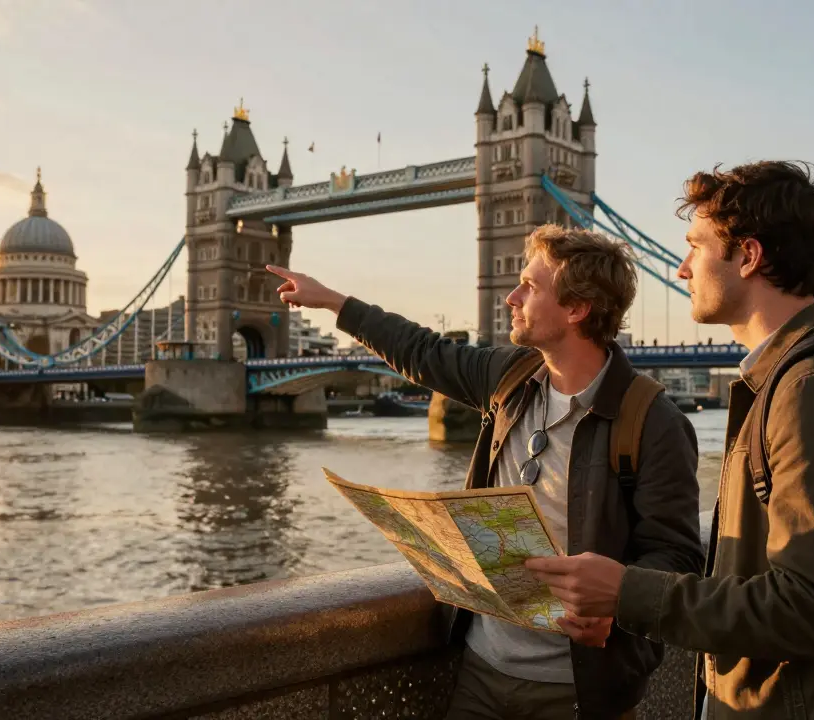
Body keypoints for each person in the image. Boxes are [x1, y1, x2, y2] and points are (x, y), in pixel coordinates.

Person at [526, 161, 814, 718]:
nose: (682, 268)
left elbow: (812, 609)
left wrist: (626, 592)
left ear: (749, 256)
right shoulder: (787, 379)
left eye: (695, 246)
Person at [267, 225, 704, 720]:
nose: (511, 298)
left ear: (577, 309)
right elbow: (421, 351)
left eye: (529, 287)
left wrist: (620, 603)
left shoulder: (653, 422)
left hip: (579, 687)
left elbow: (677, 554)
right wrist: (332, 302)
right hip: (481, 668)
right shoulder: (509, 377)